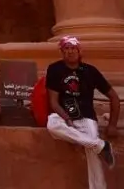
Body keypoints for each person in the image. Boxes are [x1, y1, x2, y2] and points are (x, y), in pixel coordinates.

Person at [46, 35, 119, 188]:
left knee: (91, 152)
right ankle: (100, 145)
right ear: (62, 52)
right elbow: (53, 102)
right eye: (66, 48)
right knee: (52, 124)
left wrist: (112, 124)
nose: (70, 51)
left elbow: (113, 96)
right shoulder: (54, 69)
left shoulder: (90, 71)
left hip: (86, 117)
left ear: (80, 51)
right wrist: (67, 119)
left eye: (73, 48)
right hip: (64, 116)